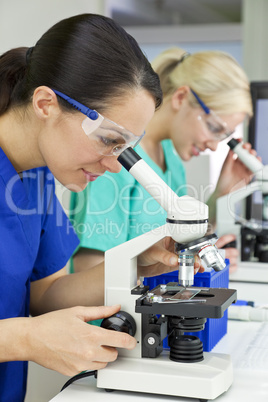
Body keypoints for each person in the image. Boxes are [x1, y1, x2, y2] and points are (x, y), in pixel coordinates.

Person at [0, 15, 191, 401]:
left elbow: (44, 293)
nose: (111, 165)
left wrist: (133, 262)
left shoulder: (36, 179)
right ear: (45, 103)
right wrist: (22, 338)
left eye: (123, 149)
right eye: (108, 140)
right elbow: (27, 326)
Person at [70, 47, 255, 275]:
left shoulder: (171, 160)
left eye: (222, 135)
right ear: (180, 98)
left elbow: (177, 242)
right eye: (214, 128)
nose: (214, 146)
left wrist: (221, 192)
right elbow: (87, 268)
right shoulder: (115, 159)